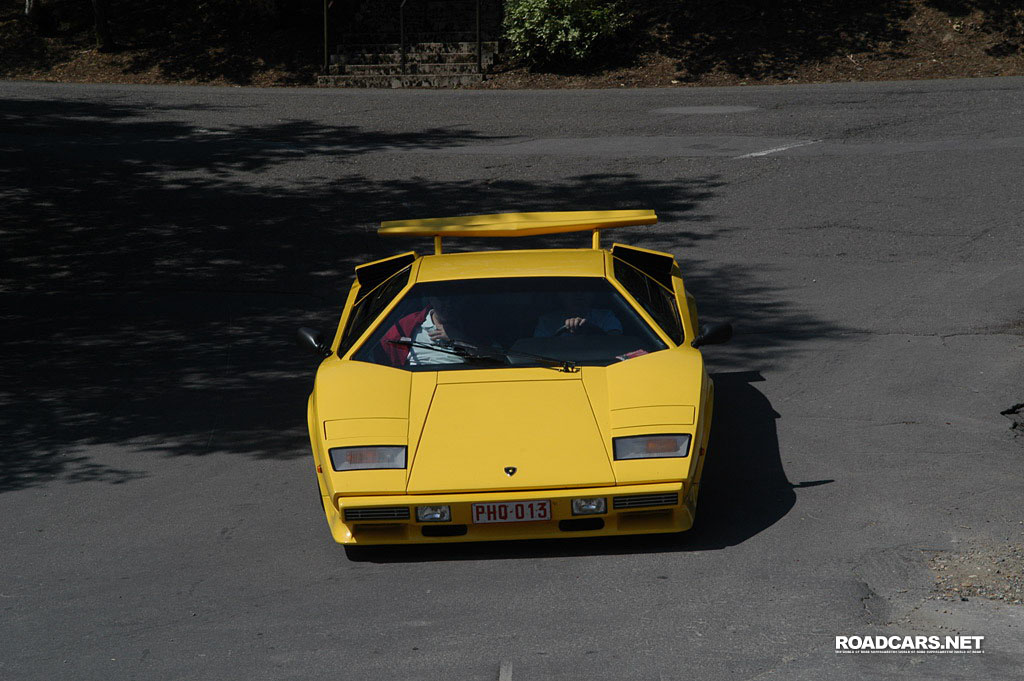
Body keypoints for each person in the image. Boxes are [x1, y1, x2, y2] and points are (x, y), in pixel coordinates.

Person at [381, 298, 466, 367]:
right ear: (431, 299)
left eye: (453, 300)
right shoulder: (408, 325)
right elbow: (382, 348)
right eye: (442, 299)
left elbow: (478, 357)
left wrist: (458, 338)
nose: (448, 305)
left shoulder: (471, 325)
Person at [533, 290, 622, 337]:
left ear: (593, 295)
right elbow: (538, 349)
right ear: (560, 295)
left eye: (584, 289)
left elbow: (617, 342)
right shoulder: (547, 322)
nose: (579, 295)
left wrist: (591, 330)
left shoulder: (606, 316)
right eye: (572, 290)